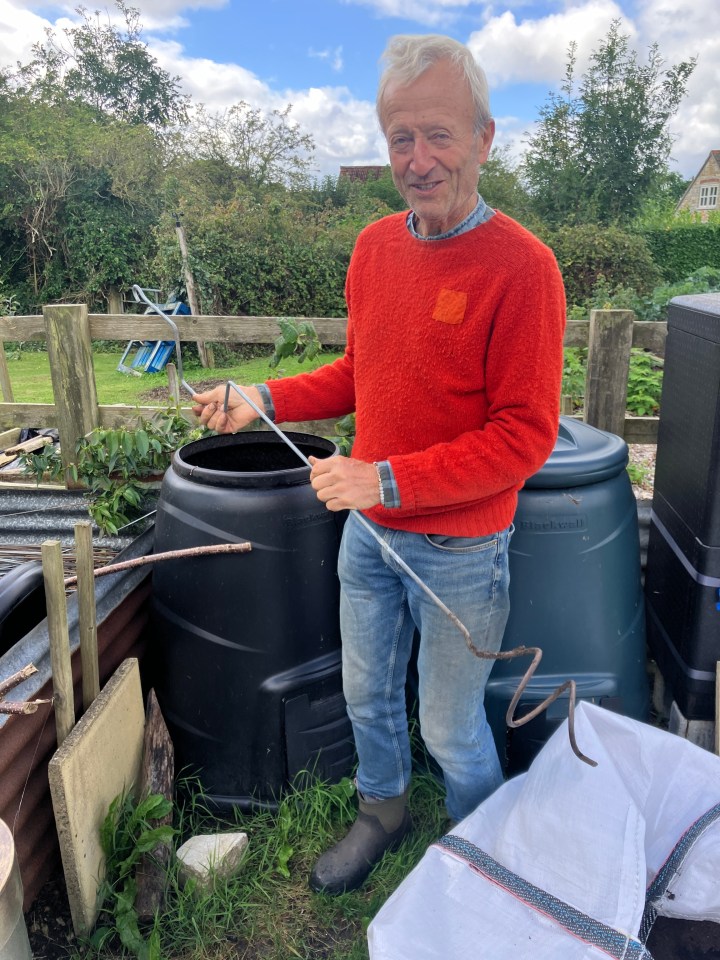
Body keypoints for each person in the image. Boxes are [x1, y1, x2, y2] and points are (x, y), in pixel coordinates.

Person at [192, 33, 566, 895]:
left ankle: (489, 860)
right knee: (368, 700)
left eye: (438, 134)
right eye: (401, 137)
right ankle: (382, 816)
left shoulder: (525, 270)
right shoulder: (374, 248)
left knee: (452, 728)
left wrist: (385, 479)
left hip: (462, 553)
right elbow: (362, 373)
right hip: (370, 539)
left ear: (484, 137)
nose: (419, 158)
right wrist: (266, 397)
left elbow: (524, 436)